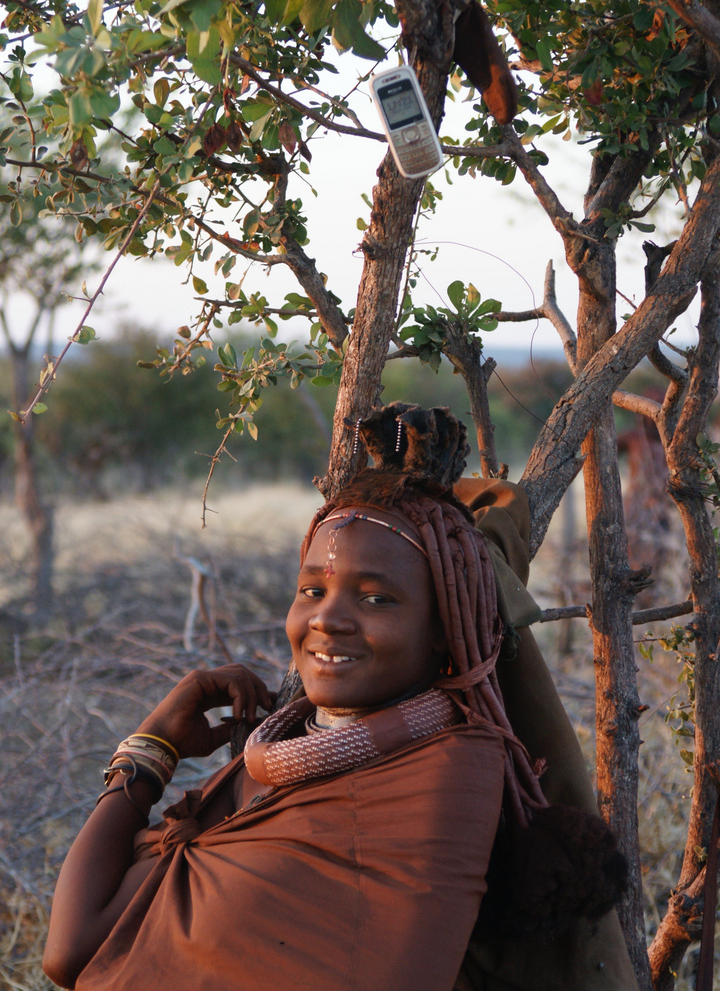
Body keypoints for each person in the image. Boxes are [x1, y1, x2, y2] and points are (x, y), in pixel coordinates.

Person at [43, 403, 637, 991]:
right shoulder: (279, 753)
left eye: (377, 599)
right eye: (311, 590)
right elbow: (70, 953)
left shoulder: (444, 773)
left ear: (441, 630)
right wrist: (154, 748)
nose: (327, 620)